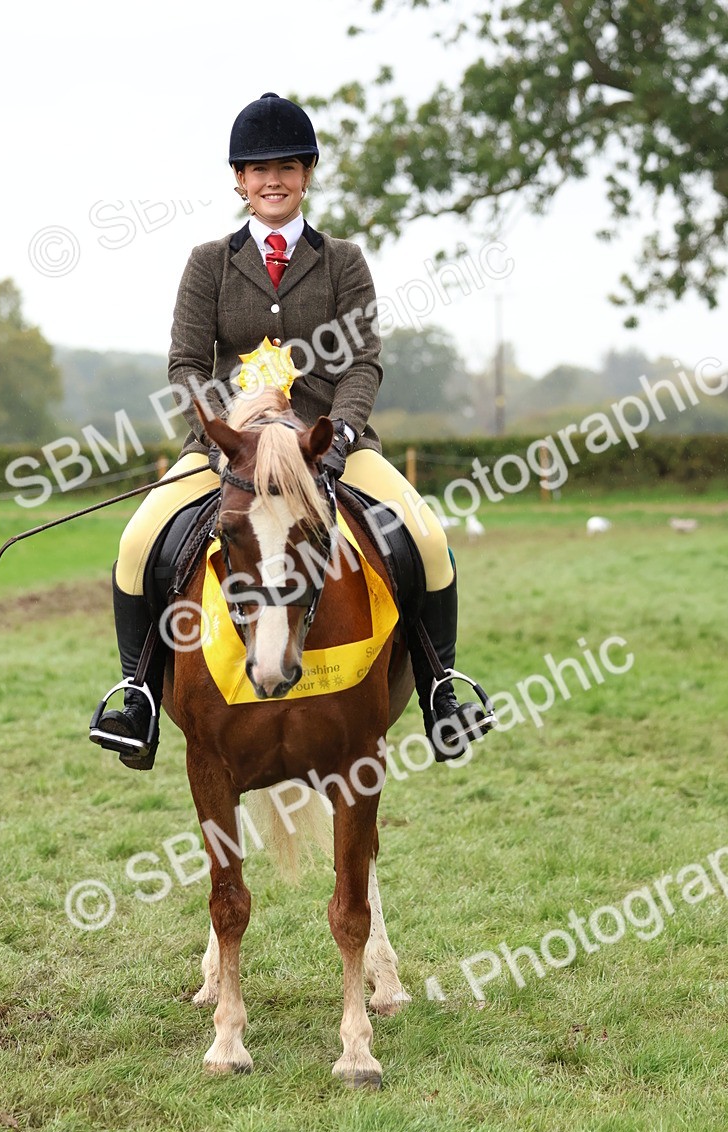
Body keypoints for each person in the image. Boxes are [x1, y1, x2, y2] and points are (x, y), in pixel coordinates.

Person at [90, 92, 487, 770]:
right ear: (239, 181)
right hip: (230, 450)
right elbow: (186, 363)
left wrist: (341, 436)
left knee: (426, 536)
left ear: (306, 175)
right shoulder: (209, 262)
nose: (272, 180)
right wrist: (223, 431)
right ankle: (137, 699)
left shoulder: (343, 261)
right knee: (135, 544)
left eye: (286, 167)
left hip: (326, 446)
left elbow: (362, 361)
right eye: (257, 169)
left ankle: (441, 690)